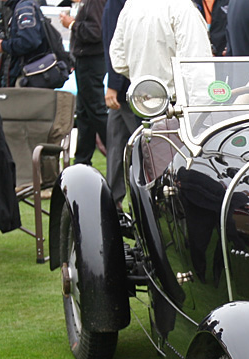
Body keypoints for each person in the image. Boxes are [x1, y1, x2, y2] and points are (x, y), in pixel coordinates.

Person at [109, 0, 211, 96]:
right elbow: (196, 63)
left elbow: (119, 59)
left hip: (143, 98)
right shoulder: (183, 8)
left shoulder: (131, 5)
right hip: (177, 102)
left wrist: (142, 79)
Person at [61, 0, 107, 167]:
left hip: (92, 61)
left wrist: (72, 24)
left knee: (96, 111)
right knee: (85, 113)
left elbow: (95, 32)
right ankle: (82, 160)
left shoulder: (95, 2)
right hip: (86, 60)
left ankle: (118, 152)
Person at [101, 0, 137, 206]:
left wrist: (113, 84)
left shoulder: (117, 3)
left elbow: (116, 42)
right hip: (126, 86)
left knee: (142, 149)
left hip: (127, 87)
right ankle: (112, 205)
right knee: (116, 149)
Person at [0, 0, 50, 88]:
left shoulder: (24, 8)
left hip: (27, 75)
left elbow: (30, 41)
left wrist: (3, 45)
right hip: (20, 72)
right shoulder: (18, 6)